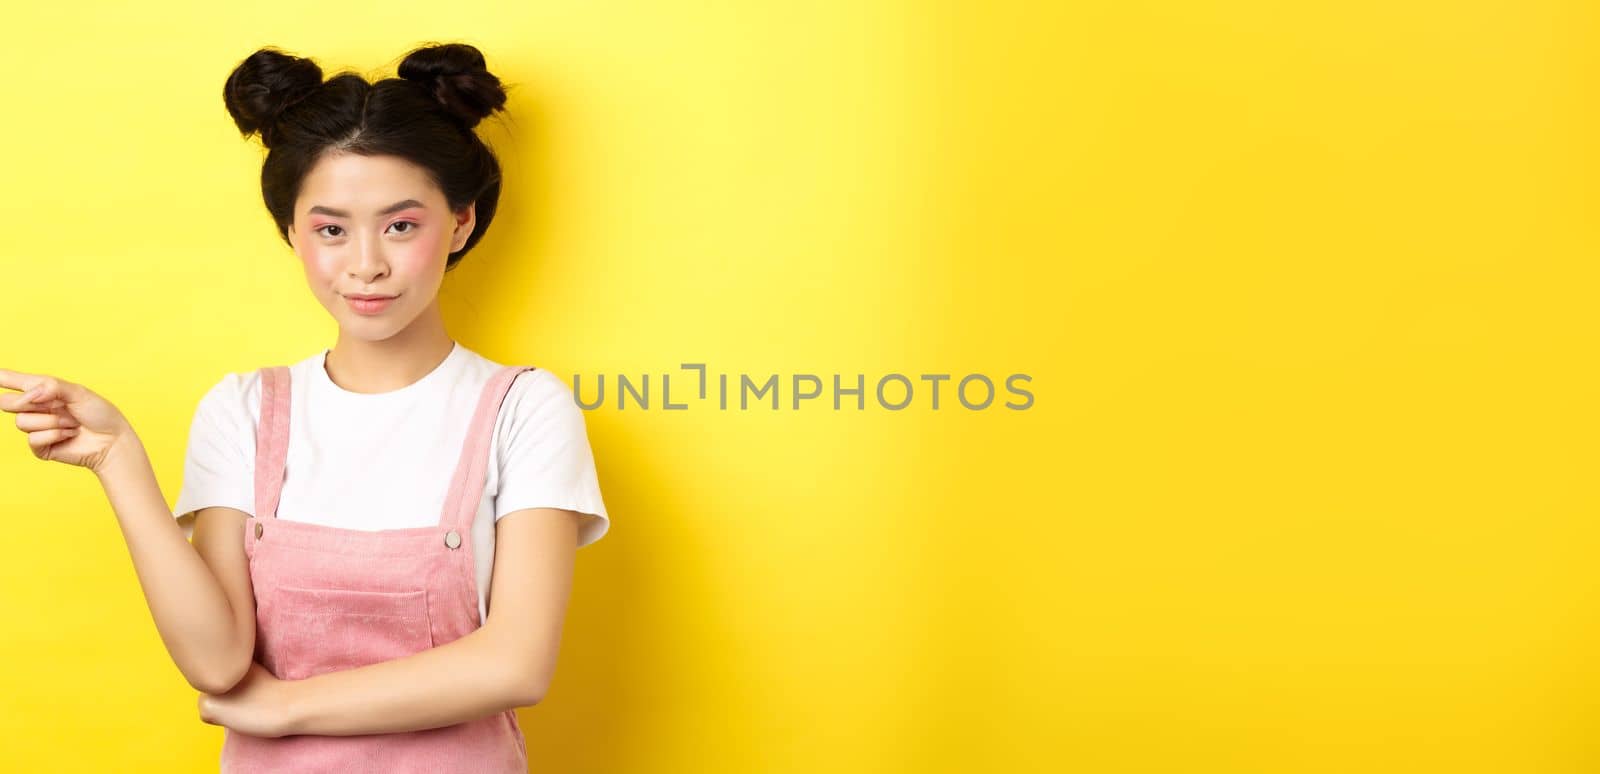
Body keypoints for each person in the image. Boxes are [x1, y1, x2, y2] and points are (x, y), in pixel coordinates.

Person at [0, 42, 609, 772]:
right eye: (330, 229)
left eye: (401, 225)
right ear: (292, 232)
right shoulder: (245, 409)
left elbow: (514, 665)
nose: (365, 264)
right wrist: (116, 457)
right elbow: (219, 661)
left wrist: (285, 707)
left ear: (461, 224)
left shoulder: (523, 408)